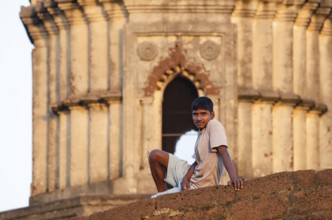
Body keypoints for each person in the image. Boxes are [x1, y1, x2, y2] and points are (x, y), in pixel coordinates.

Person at [149, 96, 244, 198]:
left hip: (199, 185)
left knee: (151, 199)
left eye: (203, 114)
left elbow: (224, 152)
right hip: (190, 174)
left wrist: (234, 177)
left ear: (212, 115)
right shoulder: (201, 131)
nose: (199, 118)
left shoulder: (214, 125)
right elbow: (197, 162)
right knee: (154, 155)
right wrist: (186, 178)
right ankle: (162, 193)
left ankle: (161, 197)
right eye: (195, 114)